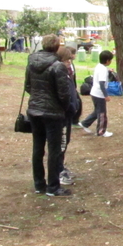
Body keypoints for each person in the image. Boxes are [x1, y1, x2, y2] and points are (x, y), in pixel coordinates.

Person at [25, 34, 72, 196]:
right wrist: (64, 108)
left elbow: (28, 86)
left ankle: (39, 184)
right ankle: (53, 186)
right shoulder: (58, 66)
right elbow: (63, 94)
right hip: (52, 113)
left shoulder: (31, 61)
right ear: (56, 46)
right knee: (54, 149)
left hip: (35, 110)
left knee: (38, 148)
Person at [56, 46, 81, 188]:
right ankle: (58, 172)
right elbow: (63, 94)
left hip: (68, 113)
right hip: (61, 114)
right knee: (60, 143)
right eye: (67, 61)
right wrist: (70, 107)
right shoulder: (58, 72)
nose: (69, 63)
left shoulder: (68, 71)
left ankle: (61, 167)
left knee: (65, 142)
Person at [79, 50, 115, 137]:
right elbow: (102, 83)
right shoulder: (103, 69)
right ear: (107, 61)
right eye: (110, 60)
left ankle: (85, 123)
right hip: (99, 94)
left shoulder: (99, 66)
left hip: (94, 92)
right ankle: (101, 131)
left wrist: (108, 71)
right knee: (102, 113)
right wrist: (105, 95)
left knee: (97, 111)